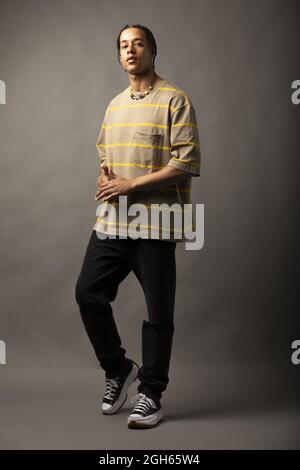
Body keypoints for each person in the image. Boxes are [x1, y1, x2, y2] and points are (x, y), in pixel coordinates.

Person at [75, 23, 201, 429]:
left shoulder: (174, 100)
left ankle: (151, 393)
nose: (130, 51)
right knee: (88, 293)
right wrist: (106, 179)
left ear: (152, 50)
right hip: (113, 221)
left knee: (158, 313)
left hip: (156, 223)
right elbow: (104, 158)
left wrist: (131, 184)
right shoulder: (114, 105)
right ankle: (118, 369)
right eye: (123, 46)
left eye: (138, 44)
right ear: (119, 56)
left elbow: (185, 163)